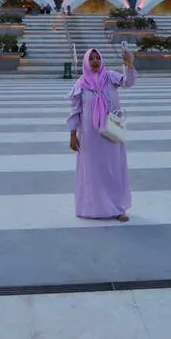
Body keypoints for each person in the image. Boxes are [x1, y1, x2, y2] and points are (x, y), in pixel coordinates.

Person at [66, 48, 137, 221]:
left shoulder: (110, 77)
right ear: (85, 62)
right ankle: (93, 208)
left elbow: (128, 82)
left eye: (98, 58)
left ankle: (117, 208)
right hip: (90, 136)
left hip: (111, 132)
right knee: (92, 171)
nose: (95, 61)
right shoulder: (80, 84)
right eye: (91, 59)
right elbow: (75, 111)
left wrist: (129, 63)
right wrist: (73, 135)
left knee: (113, 169)